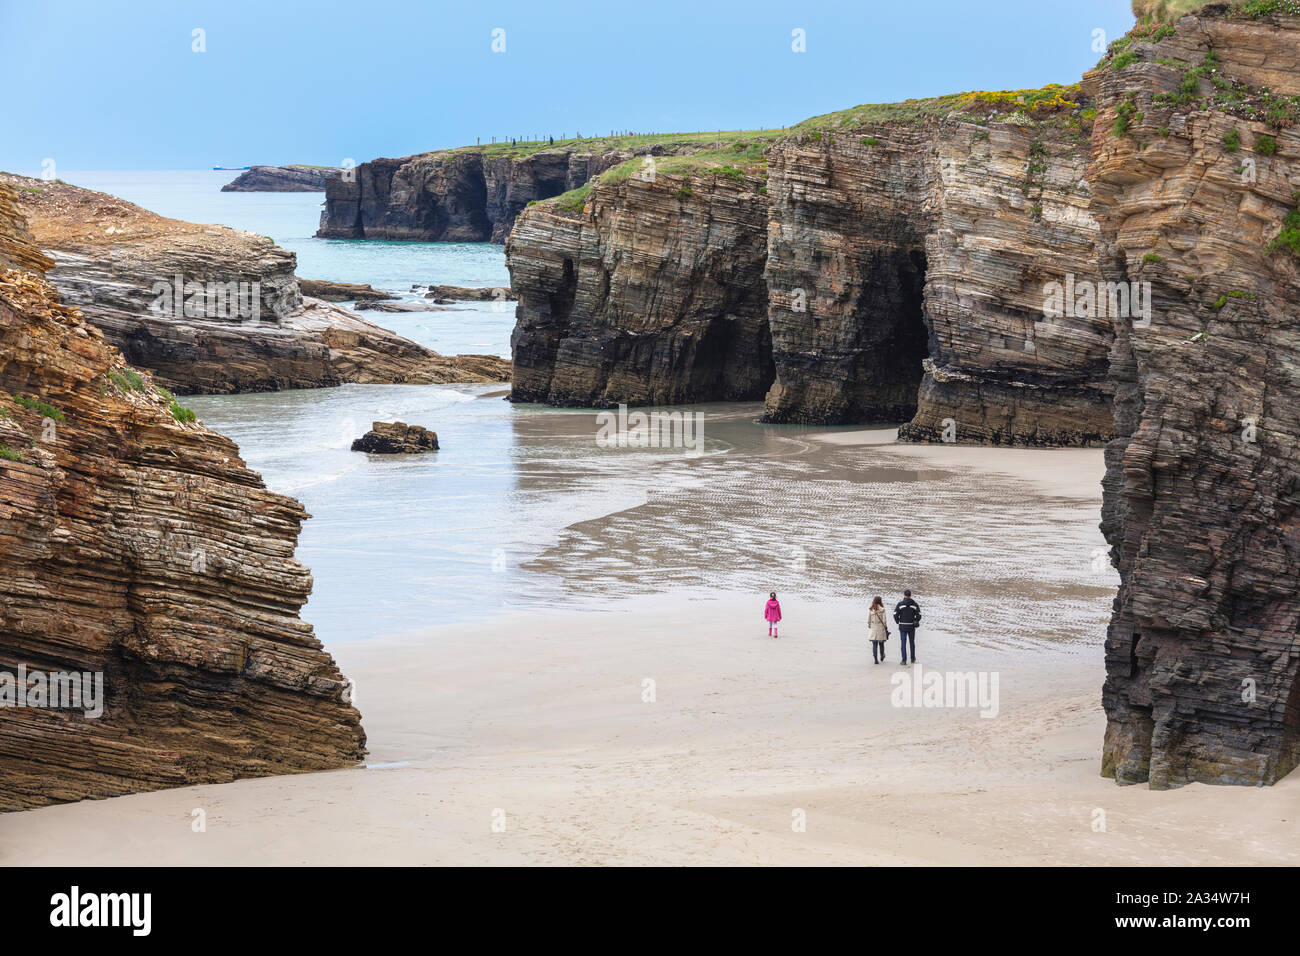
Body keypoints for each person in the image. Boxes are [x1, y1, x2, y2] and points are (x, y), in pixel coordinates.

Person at [894, 589, 922, 664]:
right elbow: (919, 615)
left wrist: (898, 621)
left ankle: (904, 660)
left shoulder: (900, 604)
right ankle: (912, 659)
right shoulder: (915, 604)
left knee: (903, 643)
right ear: (910, 595)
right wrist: (916, 620)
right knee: (912, 643)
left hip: (902, 626)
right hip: (911, 626)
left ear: (904, 595)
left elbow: (895, 614)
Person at [867, 596, 889, 663]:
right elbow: (884, 620)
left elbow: (868, 620)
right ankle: (882, 656)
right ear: (880, 601)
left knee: (874, 644)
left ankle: (876, 660)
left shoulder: (871, 609)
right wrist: (885, 627)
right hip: (880, 628)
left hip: (873, 628)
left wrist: (870, 626)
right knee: (881, 644)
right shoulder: (882, 609)